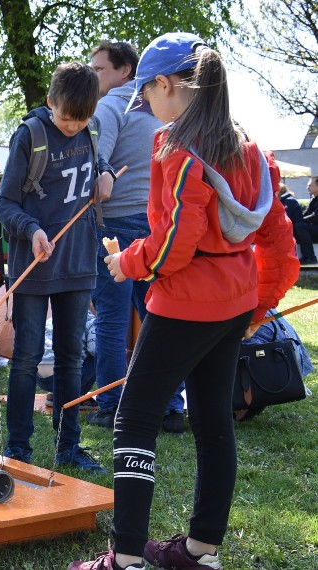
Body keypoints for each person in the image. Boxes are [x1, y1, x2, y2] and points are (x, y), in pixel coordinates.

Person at [69, 33, 299, 570]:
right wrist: (258, 307)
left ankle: (126, 559)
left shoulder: (177, 149)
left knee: (135, 420)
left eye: (146, 94)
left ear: (166, 85)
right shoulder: (251, 151)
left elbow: (173, 246)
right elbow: (278, 245)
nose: (145, 105)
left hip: (185, 304)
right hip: (234, 304)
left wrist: (127, 263)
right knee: (213, 420)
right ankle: (202, 552)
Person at [0, 61, 115, 474]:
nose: (72, 127)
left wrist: (107, 173)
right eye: (65, 119)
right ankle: (19, 450)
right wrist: (32, 230)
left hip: (79, 260)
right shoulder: (30, 135)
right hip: (35, 261)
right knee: (26, 356)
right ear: (50, 103)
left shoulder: (91, 129)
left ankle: (69, 447)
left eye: (81, 120)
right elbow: (3, 202)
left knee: (72, 357)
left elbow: (94, 169)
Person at [87, 40, 186, 434]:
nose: (93, 77)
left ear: (125, 71)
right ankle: (170, 408)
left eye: (98, 70)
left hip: (117, 225)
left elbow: (100, 163)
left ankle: (110, 404)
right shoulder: (170, 106)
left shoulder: (111, 106)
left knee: (111, 319)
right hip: (161, 225)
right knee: (161, 315)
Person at [292, 176, 318, 264]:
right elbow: (305, 215)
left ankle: (310, 257)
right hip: (314, 229)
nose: (307, 187)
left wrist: (300, 221)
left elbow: (315, 216)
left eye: (310, 186)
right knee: (296, 225)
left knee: (299, 226)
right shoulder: (314, 199)